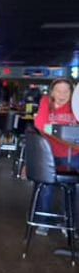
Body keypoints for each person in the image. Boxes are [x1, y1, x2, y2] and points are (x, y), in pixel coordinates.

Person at [34, 78, 79, 236]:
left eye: (66, 91)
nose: (62, 94)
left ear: (72, 93)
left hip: (72, 154)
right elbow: (40, 124)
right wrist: (66, 134)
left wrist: (54, 131)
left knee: (74, 189)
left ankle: (71, 223)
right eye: (58, 91)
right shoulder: (46, 101)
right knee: (47, 187)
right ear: (52, 92)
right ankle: (43, 222)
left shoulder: (75, 105)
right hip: (49, 154)